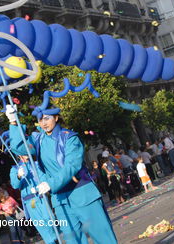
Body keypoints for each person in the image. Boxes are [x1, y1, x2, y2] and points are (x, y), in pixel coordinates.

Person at [7, 104, 117, 244]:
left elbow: (72, 166)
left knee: (103, 238)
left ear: (56, 117)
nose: (43, 123)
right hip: (61, 201)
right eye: (40, 120)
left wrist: (50, 183)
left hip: (82, 194)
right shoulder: (39, 141)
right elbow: (18, 148)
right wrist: (13, 122)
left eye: (47, 118)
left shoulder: (70, 138)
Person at [10, 154, 58, 244]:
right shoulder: (15, 169)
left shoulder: (36, 164)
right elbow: (15, 185)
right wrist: (18, 176)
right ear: (19, 155)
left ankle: (55, 238)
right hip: (30, 201)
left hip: (41, 198)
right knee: (40, 224)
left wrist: (38, 187)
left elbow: (43, 178)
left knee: (49, 219)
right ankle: (51, 241)